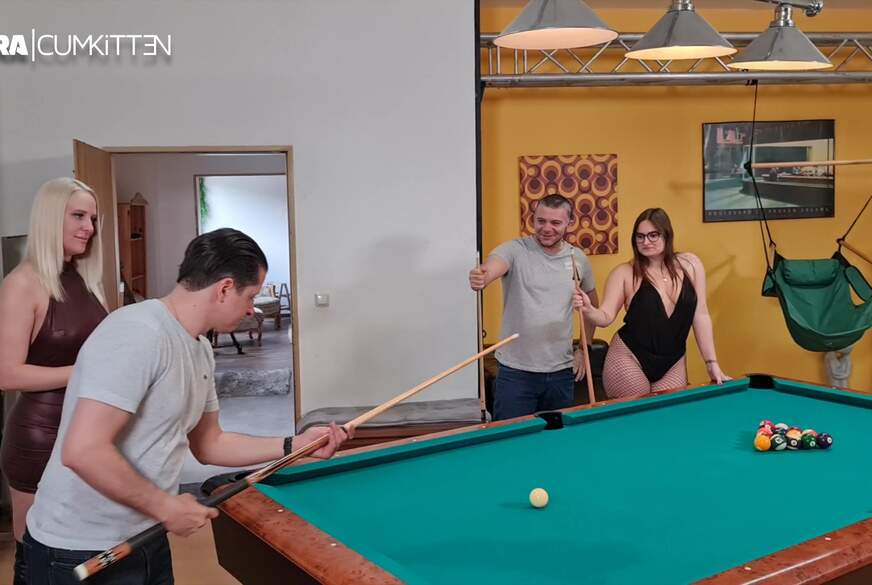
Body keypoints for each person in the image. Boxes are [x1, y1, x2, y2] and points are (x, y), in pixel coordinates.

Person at [24, 228, 349, 585]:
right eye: (250, 296)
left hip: (145, 536)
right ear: (225, 288)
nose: (250, 308)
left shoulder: (200, 348)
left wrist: (294, 445)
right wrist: (165, 506)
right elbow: (83, 450)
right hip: (78, 547)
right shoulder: (137, 332)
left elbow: (210, 444)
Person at [0, 178, 108, 585]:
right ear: (49, 218)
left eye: (92, 218)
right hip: (39, 439)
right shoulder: (21, 284)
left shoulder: (83, 279)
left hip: (85, 434)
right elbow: (6, 373)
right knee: (35, 559)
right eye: (78, 216)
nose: (89, 228)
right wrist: (83, 373)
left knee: (78, 559)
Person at [573, 208, 729, 399]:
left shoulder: (691, 265)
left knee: (670, 413)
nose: (646, 242)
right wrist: (589, 309)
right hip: (629, 357)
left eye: (653, 235)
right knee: (637, 415)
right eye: (640, 237)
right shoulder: (624, 273)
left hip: (672, 361)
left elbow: (701, 314)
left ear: (667, 234)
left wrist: (711, 362)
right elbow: (605, 317)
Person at [469, 195, 598, 420]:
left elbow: (591, 305)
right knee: (510, 437)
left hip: (561, 373)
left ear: (569, 223)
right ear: (533, 219)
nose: (546, 228)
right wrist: (483, 276)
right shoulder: (515, 250)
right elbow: (493, 267)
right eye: (541, 221)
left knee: (557, 438)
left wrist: (583, 347)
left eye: (555, 223)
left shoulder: (577, 258)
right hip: (516, 374)